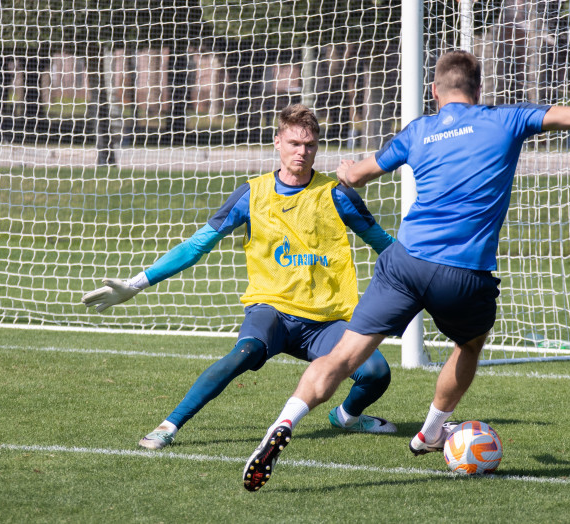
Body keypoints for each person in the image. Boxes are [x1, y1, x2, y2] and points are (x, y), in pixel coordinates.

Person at [241, 50, 570, 491]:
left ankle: (285, 421)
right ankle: (430, 432)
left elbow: (358, 176)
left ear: (434, 91)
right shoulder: (507, 120)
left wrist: (348, 171)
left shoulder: (418, 130)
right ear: (478, 89)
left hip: (404, 264)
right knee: (469, 345)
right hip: (463, 274)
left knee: (343, 357)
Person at [82, 104, 398, 454]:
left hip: (326, 322)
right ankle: (168, 425)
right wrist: (136, 283)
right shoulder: (252, 194)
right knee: (243, 353)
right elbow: (196, 246)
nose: (302, 152)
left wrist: (425, 275)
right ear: (277, 142)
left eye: (310, 145)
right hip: (272, 311)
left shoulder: (337, 194)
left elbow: (385, 246)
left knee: (376, 373)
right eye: (294, 143)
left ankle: (346, 417)